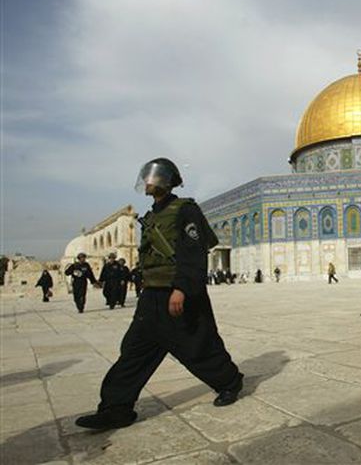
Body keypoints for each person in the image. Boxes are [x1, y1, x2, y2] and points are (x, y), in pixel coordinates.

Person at [75, 158, 243, 431]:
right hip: (152, 295)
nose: (146, 184)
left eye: (151, 179)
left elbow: (193, 252)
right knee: (133, 351)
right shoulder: (151, 216)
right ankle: (116, 408)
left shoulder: (185, 210)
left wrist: (181, 289)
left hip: (178, 292)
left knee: (197, 345)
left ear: (164, 180)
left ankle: (230, 382)